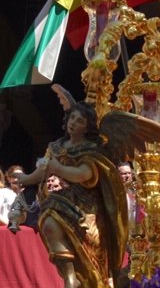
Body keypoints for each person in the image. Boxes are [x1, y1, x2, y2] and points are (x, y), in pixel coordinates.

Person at [13, 102, 127, 288]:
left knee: (92, 268)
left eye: (80, 120)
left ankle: (82, 281)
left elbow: (84, 174)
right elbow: (44, 170)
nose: (73, 123)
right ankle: (69, 278)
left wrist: (58, 168)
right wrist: (25, 179)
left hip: (87, 209)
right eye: (72, 117)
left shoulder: (91, 149)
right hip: (64, 200)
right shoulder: (57, 146)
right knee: (49, 221)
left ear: (88, 127)